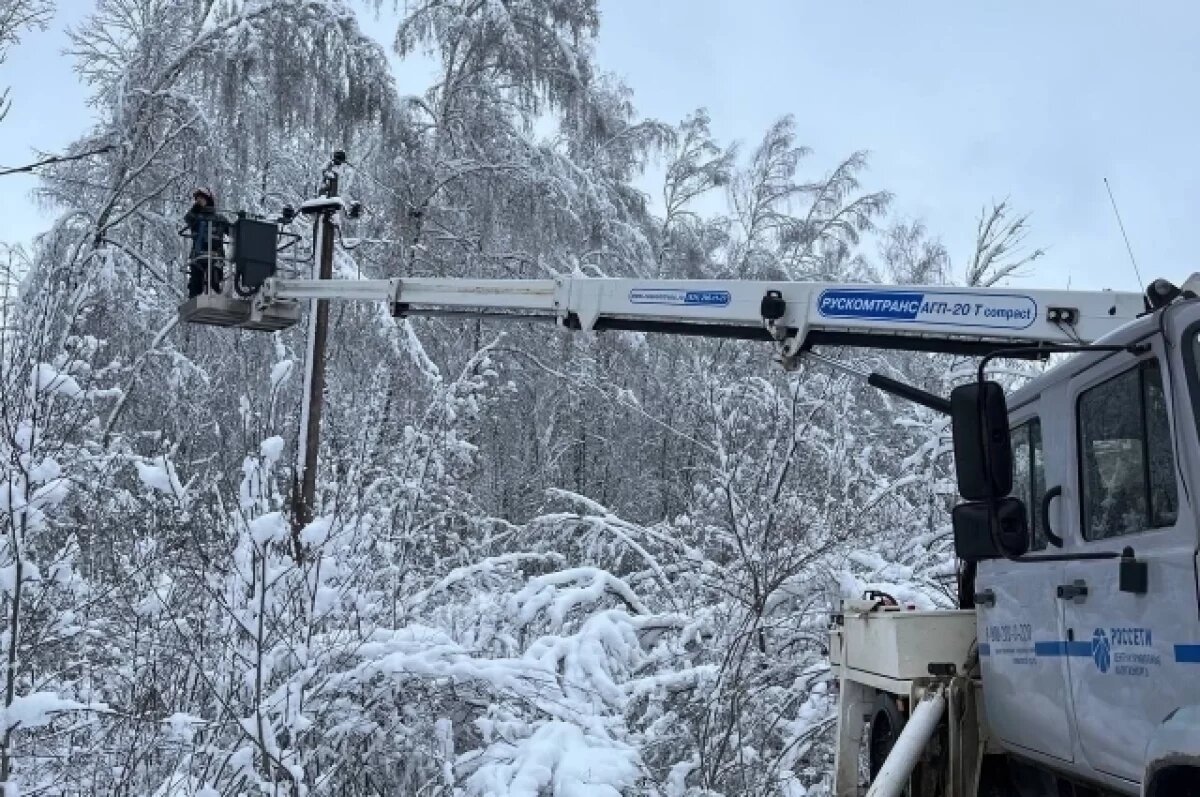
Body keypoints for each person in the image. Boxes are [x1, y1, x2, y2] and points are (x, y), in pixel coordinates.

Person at [184, 188, 228, 297]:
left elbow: (232, 231)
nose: (199, 201)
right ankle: (194, 299)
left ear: (208, 199)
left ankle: (216, 297)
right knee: (195, 283)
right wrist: (195, 209)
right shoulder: (195, 217)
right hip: (198, 255)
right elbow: (188, 218)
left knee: (214, 280)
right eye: (197, 199)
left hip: (215, 255)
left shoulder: (219, 218)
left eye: (201, 199)